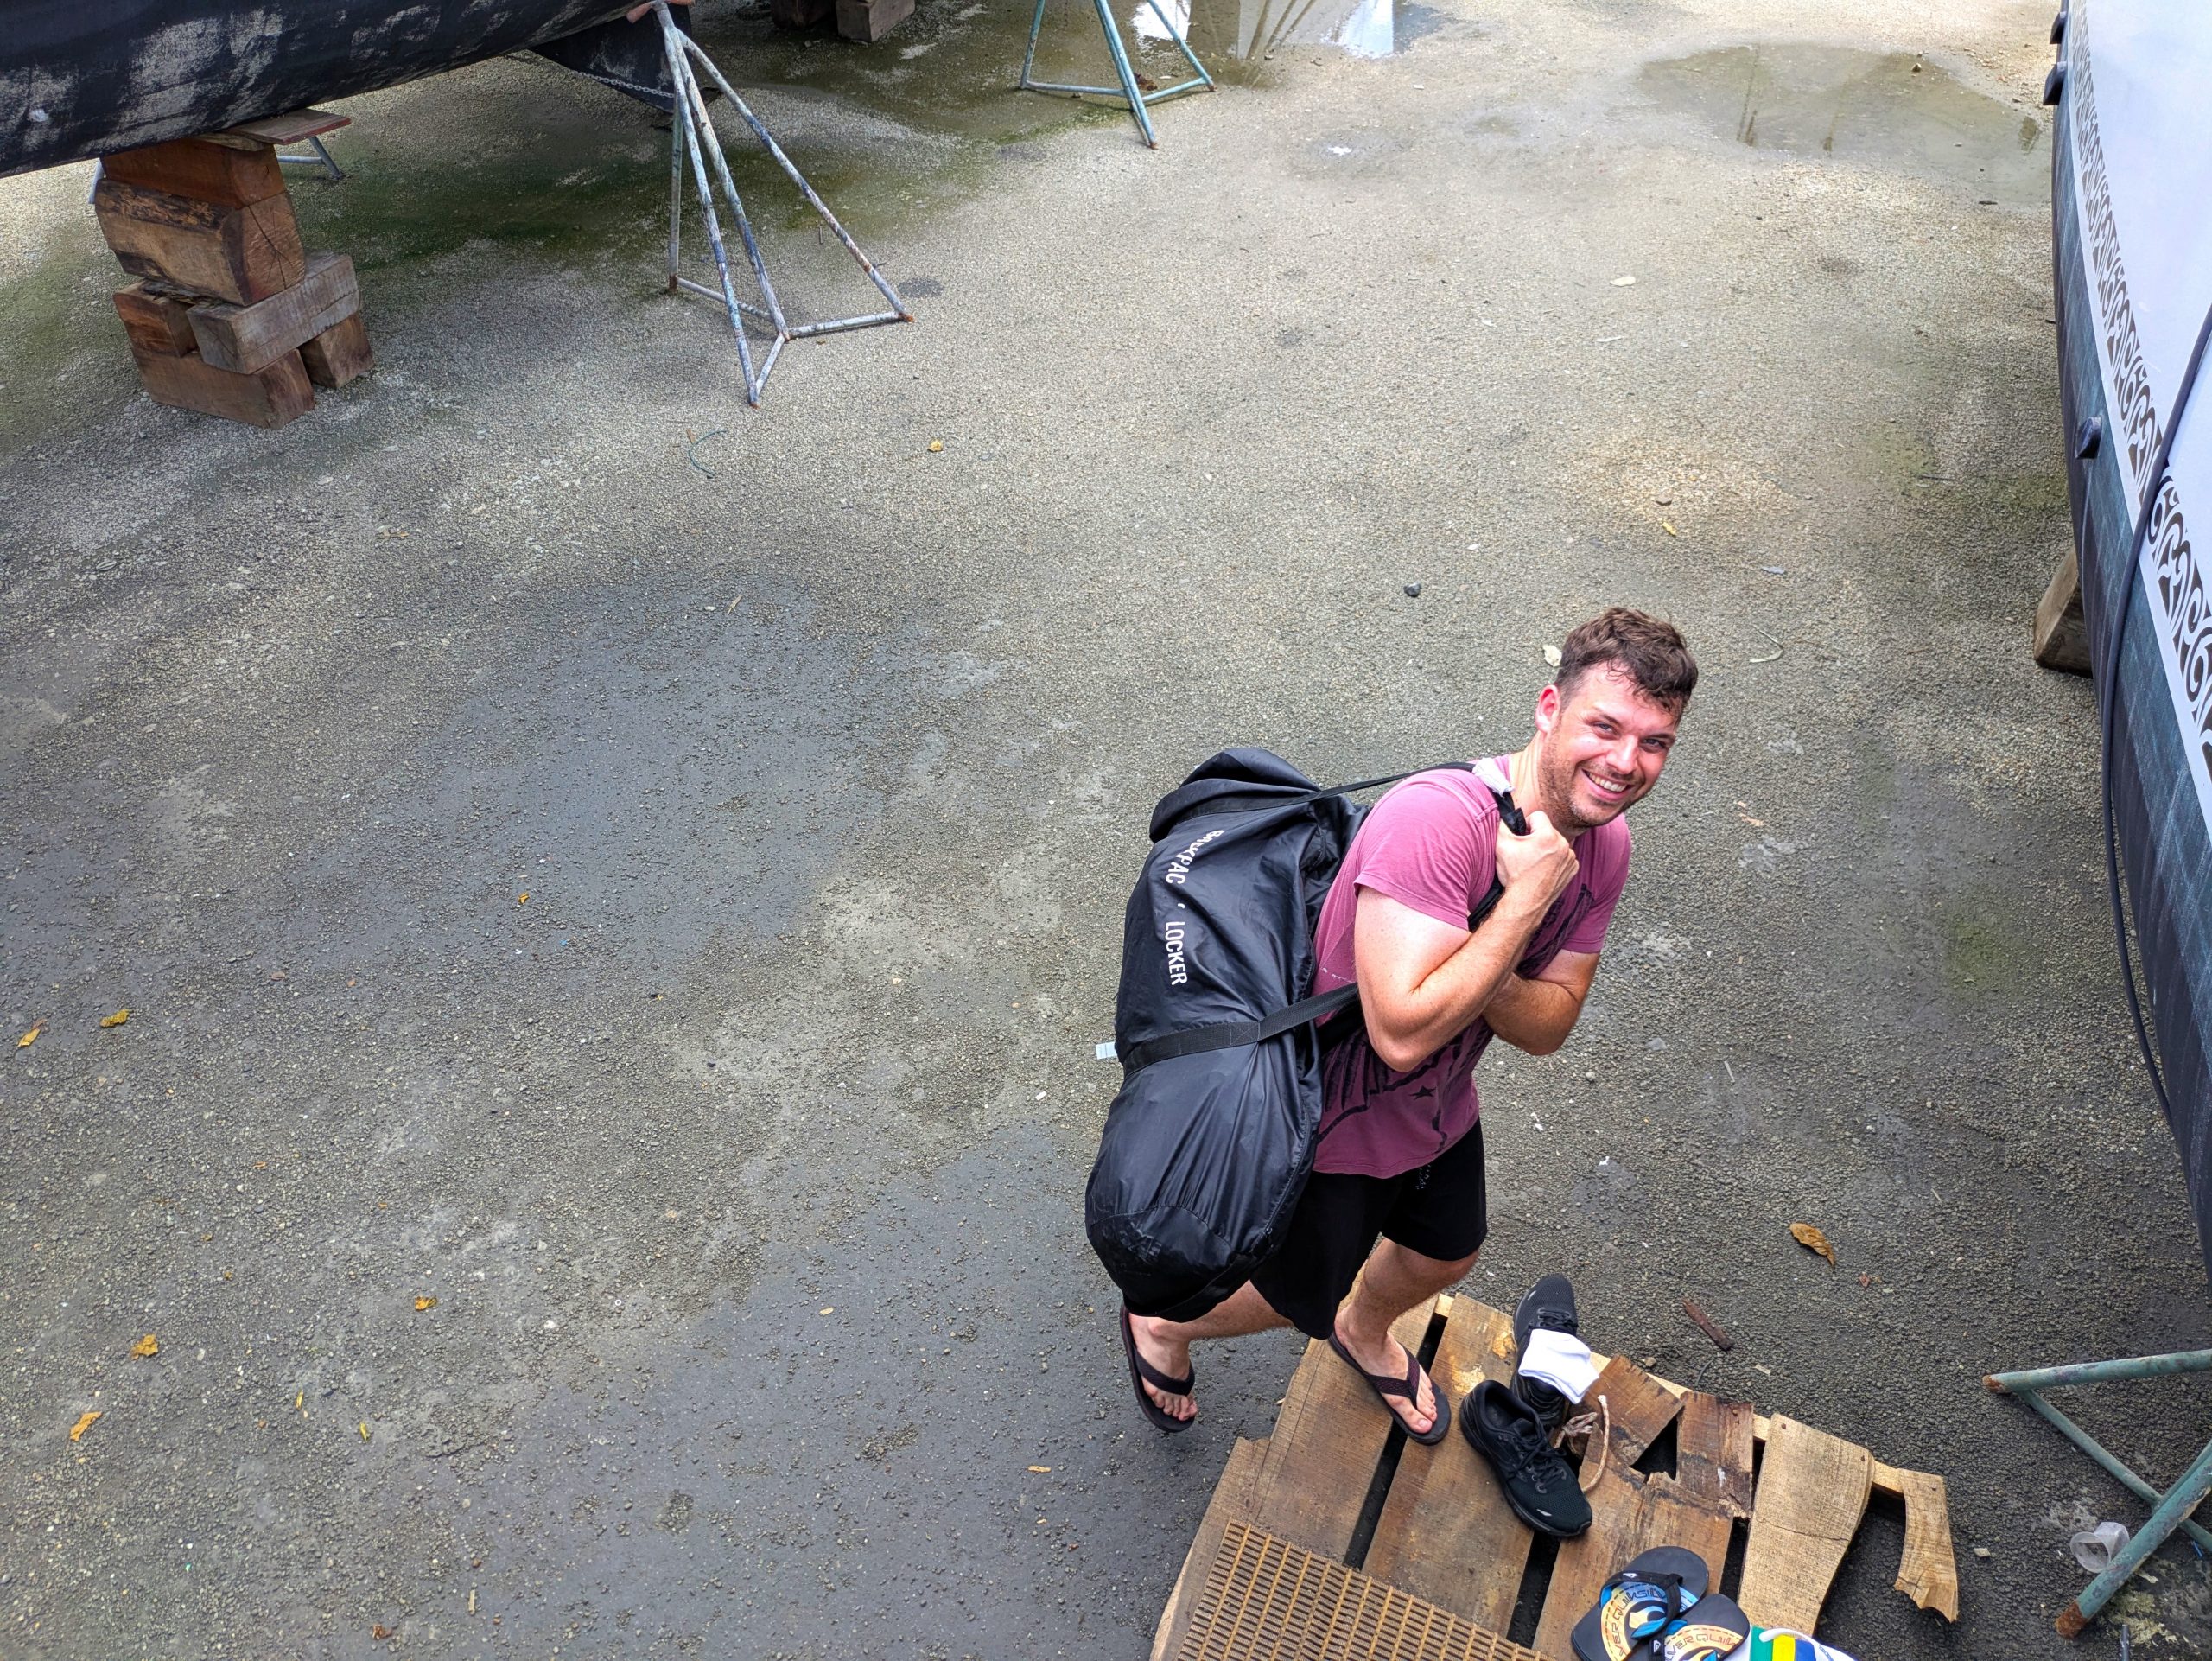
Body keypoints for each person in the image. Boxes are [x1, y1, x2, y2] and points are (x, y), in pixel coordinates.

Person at [1122, 608, 1695, 1441]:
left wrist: (1486, 953)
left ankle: (1361, 1330)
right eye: (1604, 727)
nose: (1624, 762)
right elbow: (1400, 1033)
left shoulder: (1604, 847)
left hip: (1437, 1103)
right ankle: (1162, 1325)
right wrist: (1523, 907)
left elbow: (1549, 1027)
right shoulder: (1436, 821)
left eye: (1653, 742)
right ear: (1549, 708)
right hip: (1329, 1114)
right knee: (1292, 1294)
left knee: (1445, 1251)